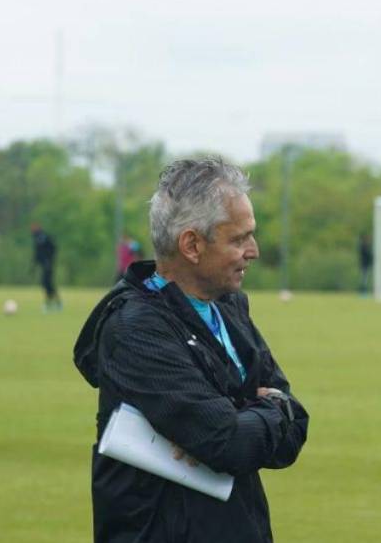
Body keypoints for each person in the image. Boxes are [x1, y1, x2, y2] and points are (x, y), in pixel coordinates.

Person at [73, 157, 310, 543]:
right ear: (192, 245)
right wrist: (262, 410)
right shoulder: (135, 330)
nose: (253, 250)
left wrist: (256, 414)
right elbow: (228, 443)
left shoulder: (229, 306)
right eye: (239, 239)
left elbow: (295, 423)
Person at [31, 222, 61, 312]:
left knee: (48, 284)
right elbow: (37, 253)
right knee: (46, 284)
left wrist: (49, 261)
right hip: (44, 265)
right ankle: (51, 302)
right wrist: (34, 265)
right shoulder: (37, 238)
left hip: (48, 265)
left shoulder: (45, 237)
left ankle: (55, 303)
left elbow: (53, 248)